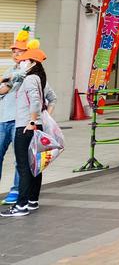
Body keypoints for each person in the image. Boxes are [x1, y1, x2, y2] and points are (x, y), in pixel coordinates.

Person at [0, 41, 48, 217]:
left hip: (25, 126)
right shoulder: (33, 77)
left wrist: (33, 121)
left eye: (24, 60)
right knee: (33, 164)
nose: (20, 62)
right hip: (30, 124)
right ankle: (32, 201)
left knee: (24, 166)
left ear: (33, 63)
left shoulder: (29, 79)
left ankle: (21, 205)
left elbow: (35, 101)